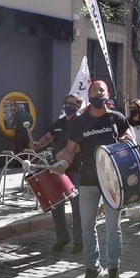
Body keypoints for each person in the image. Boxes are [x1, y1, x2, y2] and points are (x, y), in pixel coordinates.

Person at [51, 80, 135, 278]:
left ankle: (114, 270)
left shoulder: (117, 118)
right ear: (88, 95)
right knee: (87, 227)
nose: (98, 92)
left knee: (113, 228)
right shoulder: (80, 122)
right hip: (88, 181)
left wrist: (126, 140)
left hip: (112, 181)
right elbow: (70, 150)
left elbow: (130, 137)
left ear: (107, 94)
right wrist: (63, 162)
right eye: (94, 90)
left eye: (101, 90)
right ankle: (92, 269)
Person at [31, 94, 84, 253]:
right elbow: (47, 137)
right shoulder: (58, 124)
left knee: (77, 206)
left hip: (75, 169)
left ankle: (79, 241)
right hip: (57, 169)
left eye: (72, 104)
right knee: (56, 204)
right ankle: (62, 238)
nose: (69, 106)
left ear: (78, 106)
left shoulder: (82, 123)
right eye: (66, 103)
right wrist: (38, 144)